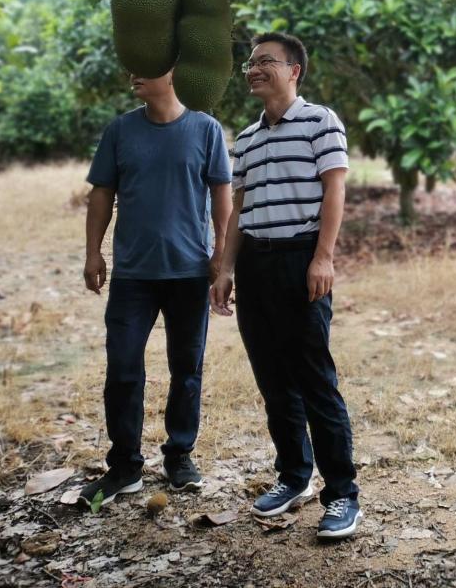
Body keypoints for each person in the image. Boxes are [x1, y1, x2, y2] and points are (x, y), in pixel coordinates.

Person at [211, 32, 362, 541]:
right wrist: (226, 269)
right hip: (256, 265)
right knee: (273, 380)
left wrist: (323, 257)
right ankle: (294, 475)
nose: (253, 69)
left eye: (265, 61)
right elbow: (239, 209)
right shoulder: (246, 138)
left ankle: (342, 493)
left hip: (301, 259)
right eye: (250, 63)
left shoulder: (321, 121)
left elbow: (334, 190)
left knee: (315, 379)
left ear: (294, 70)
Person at [79, 71, 232, 507]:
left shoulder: (205, 129)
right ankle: (125, 466)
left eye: (147, 68)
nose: (134, 75)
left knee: (187, 368)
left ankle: (179, 455)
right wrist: (93, 252)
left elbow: (222, 192)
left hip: (189, 272)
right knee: (122, 369)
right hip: (133, 274)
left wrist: (221, 252)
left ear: (172, 74)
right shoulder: (121, 130)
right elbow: (101, 194)